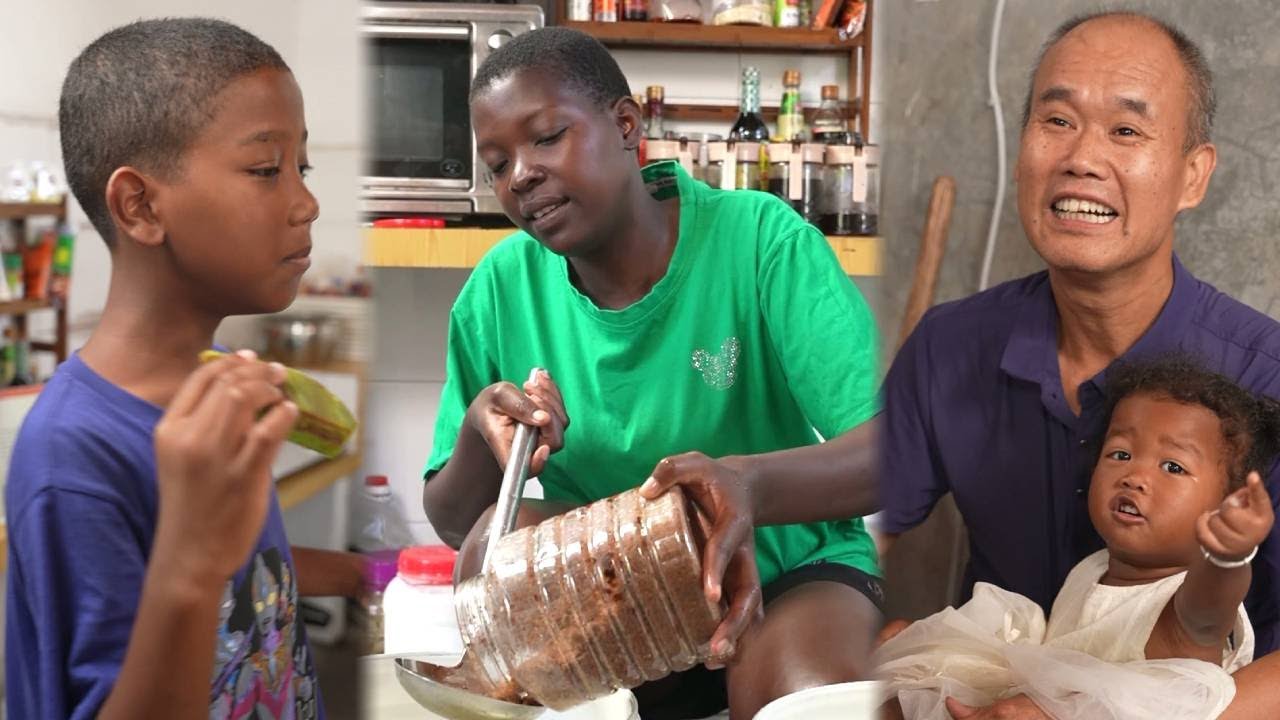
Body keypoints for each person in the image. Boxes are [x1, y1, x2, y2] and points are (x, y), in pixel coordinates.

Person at [421, 27, 882, 719]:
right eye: (497, 164)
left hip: (788, 569)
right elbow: (456, 527)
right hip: (624, 592)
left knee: (807, 697)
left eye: (547, 138)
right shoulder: (499, 290)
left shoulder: (761, 240)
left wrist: (747, 486)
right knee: (494, 545)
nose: (521, 175)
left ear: (626, 126)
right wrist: (481, 435)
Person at [878, 10, 1280, 719]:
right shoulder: (950, 346)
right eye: (1057, 120)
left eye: (1126, 130)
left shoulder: (1266, 374)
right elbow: (851, 537)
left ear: (1192, 176)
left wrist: (1085, 713)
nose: (1082, 158)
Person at [4, 19, 363, 719]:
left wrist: (356, 574)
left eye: (303, 167)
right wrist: (190, 564)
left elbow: (247, 572)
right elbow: (195, 573)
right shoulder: (72, 455)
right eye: (267, 169)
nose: (307, 203)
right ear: (140, 206)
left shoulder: (217, 386)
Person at [877, 356, 1278, 719]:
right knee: (902, 670)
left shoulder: (1186, 607)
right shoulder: (1093, 568)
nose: (1135, 476)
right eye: (1120, 454)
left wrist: (1227, 554)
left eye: (1173, 466)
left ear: (1225, 502)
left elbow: (1211, 605)